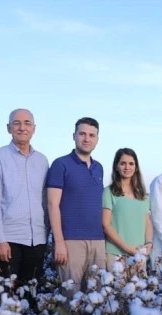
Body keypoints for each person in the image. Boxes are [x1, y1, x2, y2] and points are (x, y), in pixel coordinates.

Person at [0, 109, 49, 283]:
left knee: (32, 297)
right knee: (6, 298)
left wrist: (46, 235)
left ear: (34, 128)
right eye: (17, 123)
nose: (22, 128)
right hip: (8, 241)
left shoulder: (42, 161)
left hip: (37, 240)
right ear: (8, 128)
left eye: (27, 123)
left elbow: (45, 200)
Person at [46, 117, 104, 288]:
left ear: (97, 140)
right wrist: (59, 243)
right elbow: (52, 205)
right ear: (74, 136)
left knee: (99, 296)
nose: (87, 139)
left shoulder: (99, 167)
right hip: (71, 241)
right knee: (72, 297)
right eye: (82, 134)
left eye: (92, 135)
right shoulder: (60, 164)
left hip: (98, 241)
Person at [102, 148, 152, 269]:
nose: (127, 167)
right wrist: (127, 248)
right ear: (116, 167)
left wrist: (149, 243)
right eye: (123, 163)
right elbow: (105, 224)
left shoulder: (142, 195)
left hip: (139, 254)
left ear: (136, 167)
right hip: (116, 255)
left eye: (131, 163)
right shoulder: (109, 192)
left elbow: (147, 222)